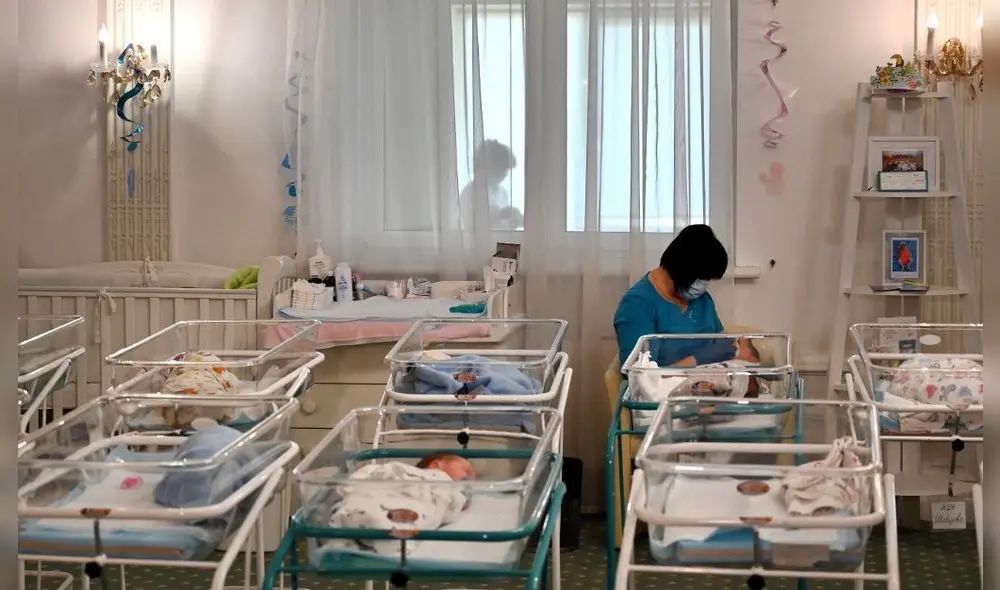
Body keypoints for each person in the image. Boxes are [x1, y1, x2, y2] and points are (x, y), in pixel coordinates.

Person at [613, 224, 757, 368]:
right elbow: (639, 375)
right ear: (682, 270)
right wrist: (698, 359)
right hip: (663, 383)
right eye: (702, 279)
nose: (703, 286)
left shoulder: (702, 300)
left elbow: (722, 346)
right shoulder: (637, 305)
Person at [459, 139, 523, 231]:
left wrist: (516, 220)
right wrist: (501, 214)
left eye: (507, 169)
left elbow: (505, 227)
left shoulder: (503, 193)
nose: (505, 174)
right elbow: (472, 223)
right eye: (501, 168)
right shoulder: (469, 192)